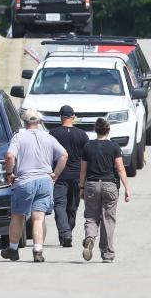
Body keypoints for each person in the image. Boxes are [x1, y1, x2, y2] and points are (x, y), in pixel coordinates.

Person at [0, 108, 68, 263]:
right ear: (38, 121)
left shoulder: (18, 137)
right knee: (39, 218)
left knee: (18, 215)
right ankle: (38, 251)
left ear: (23, 122)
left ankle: (13, 248)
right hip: (45, 181)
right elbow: (64, 155)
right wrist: (55, 174)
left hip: (25, 181)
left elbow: (10, 155)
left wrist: (9, 173)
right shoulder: (48, 137)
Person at [79, 118, 132, 263]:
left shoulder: (88, 146)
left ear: (95, 130)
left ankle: (90, 237)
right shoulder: (114, 147)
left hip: (91, 185)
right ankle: (107, 254)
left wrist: (81, 187)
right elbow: (120, 169)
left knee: (91, 216)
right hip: (109, 185)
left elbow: (83, 170)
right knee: (108, 219)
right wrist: (127, 188)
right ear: (108, 130)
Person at [49, 105, 90, 247]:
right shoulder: (82, 135)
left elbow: (48, 155)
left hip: (59, 175)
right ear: (73, 117)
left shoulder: (53, 133)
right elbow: (87, 157)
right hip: (77, 176)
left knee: (59, 205)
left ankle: (65, 233)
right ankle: (67, 232)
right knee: (72, 207)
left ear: (61, 117)